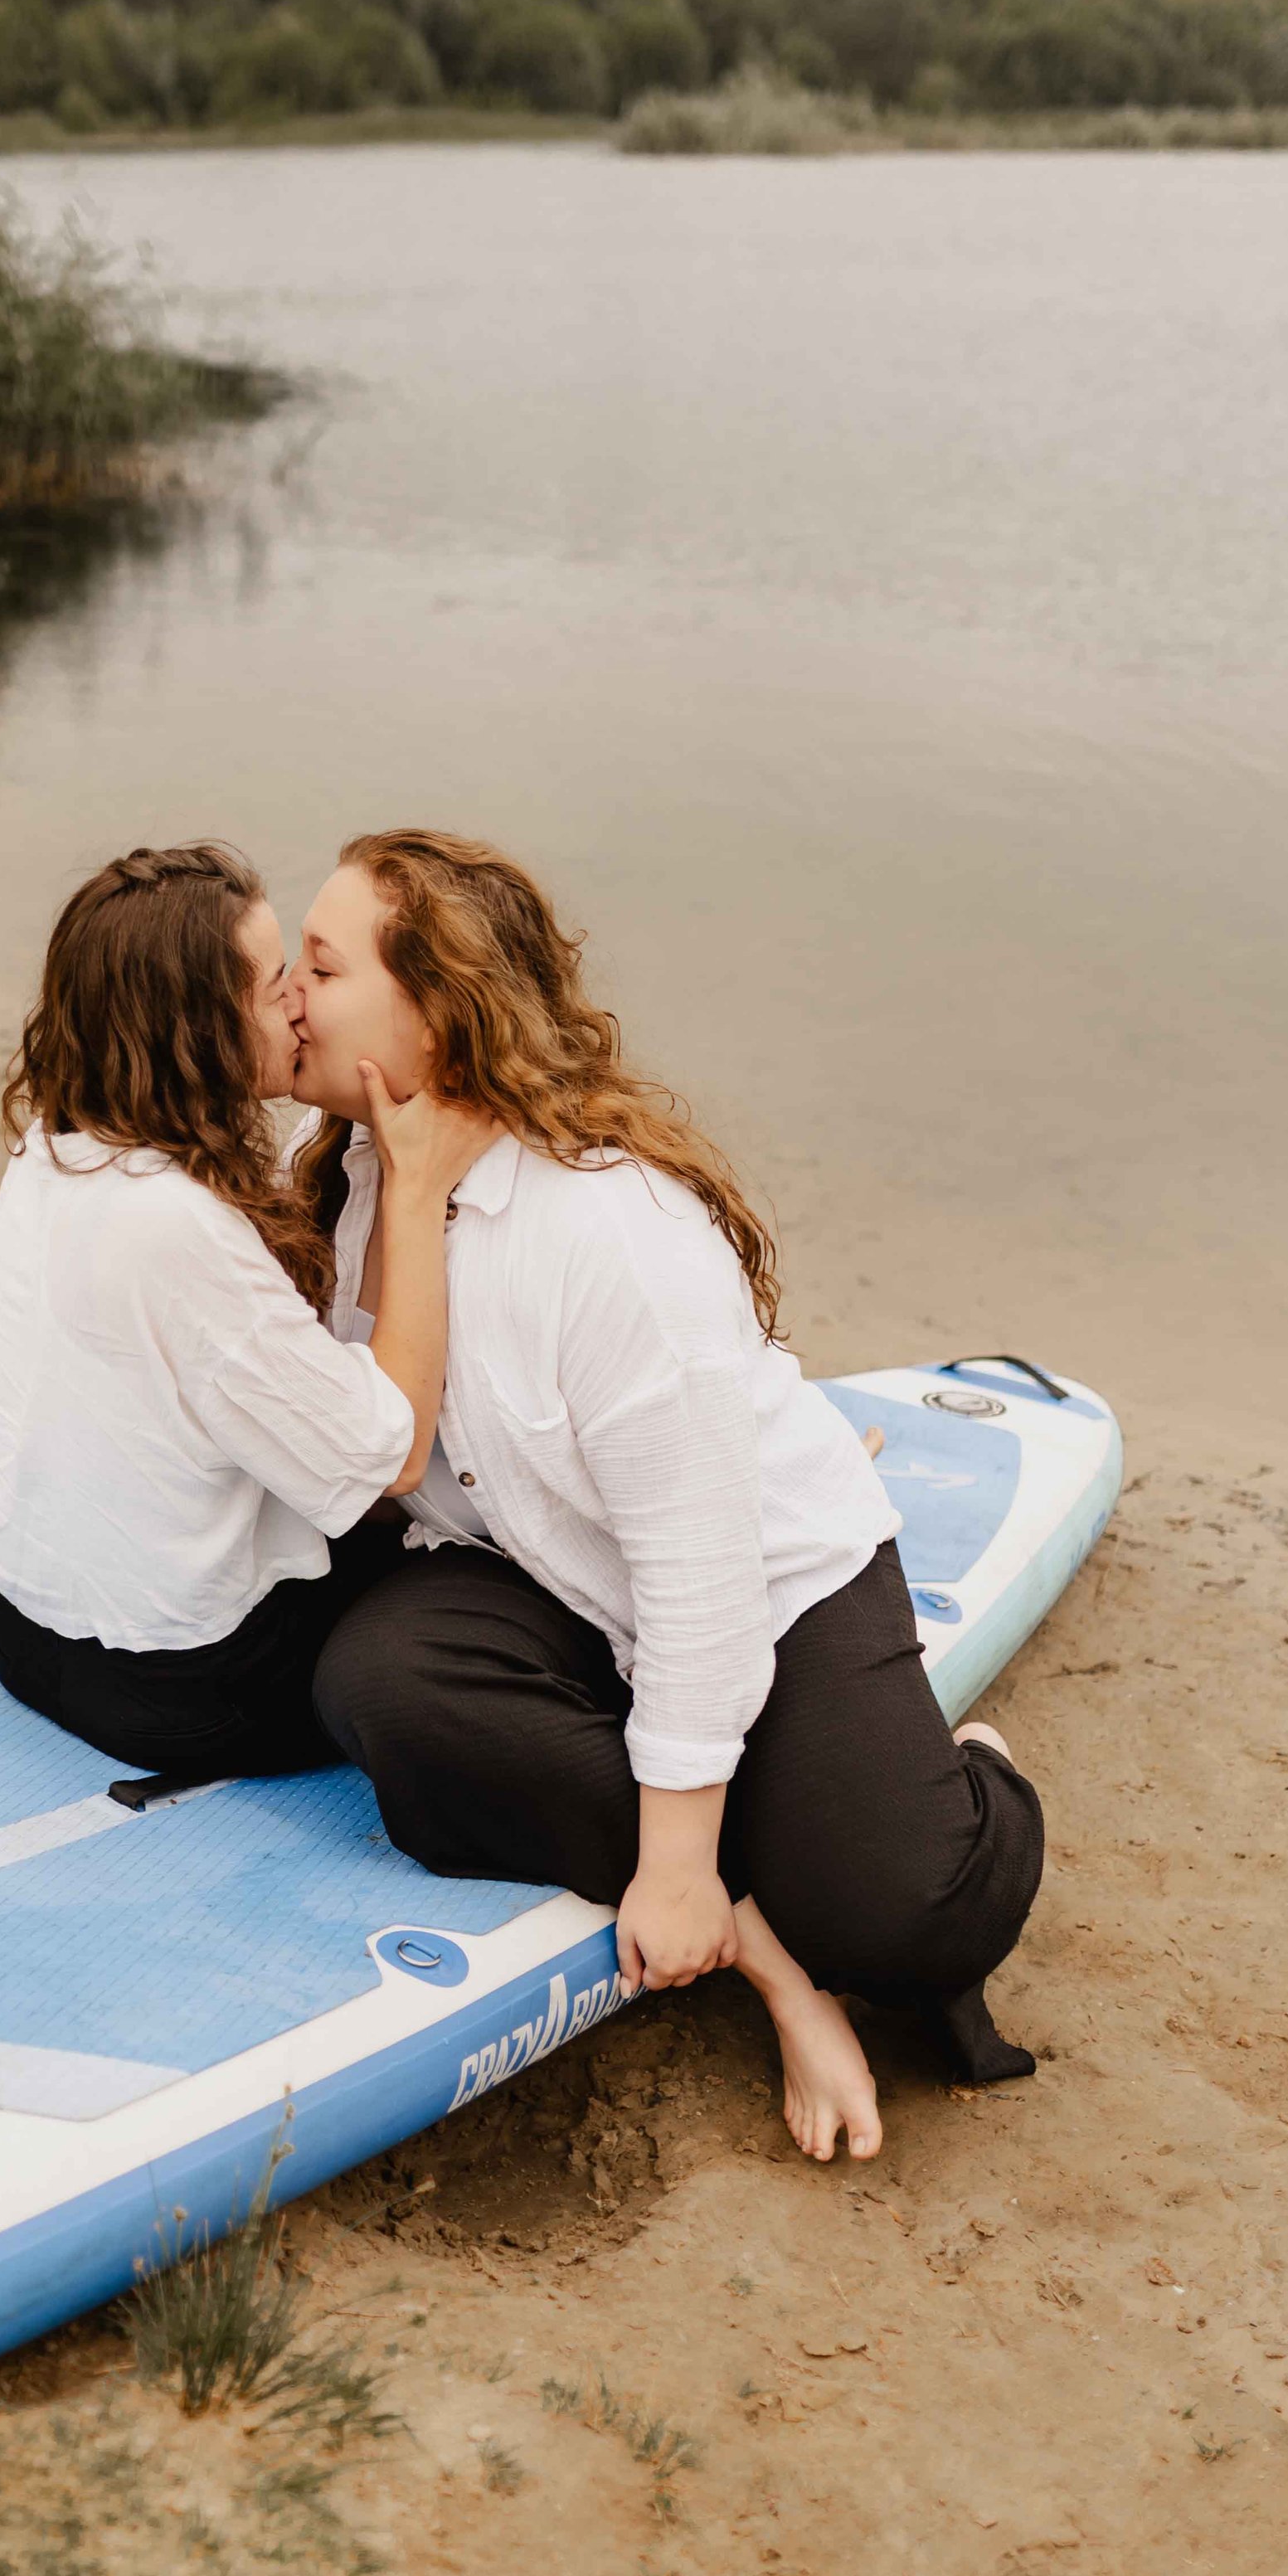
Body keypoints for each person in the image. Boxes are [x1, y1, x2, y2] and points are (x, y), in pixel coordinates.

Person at [287, 829, 1046, 2163]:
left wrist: (683, 1869)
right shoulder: (363, 1165)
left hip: (760, 1579)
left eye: (321, 966)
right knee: (383, 1686)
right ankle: (772, 1924)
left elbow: (700, 1577)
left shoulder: (612, 1236)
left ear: (438, 1019)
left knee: (896, 1915)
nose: (292, 995)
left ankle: (968, 1775)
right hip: (554, 1570)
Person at [0, 842, 494, 1785]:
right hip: (183, 1686)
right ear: (194, 1027)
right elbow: (393, 1456)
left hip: (19, 1625)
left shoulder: (53, 1151)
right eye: (268, 985)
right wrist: (415, 1193)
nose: (297, 998)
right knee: (496, 1580)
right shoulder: (175, 1224)